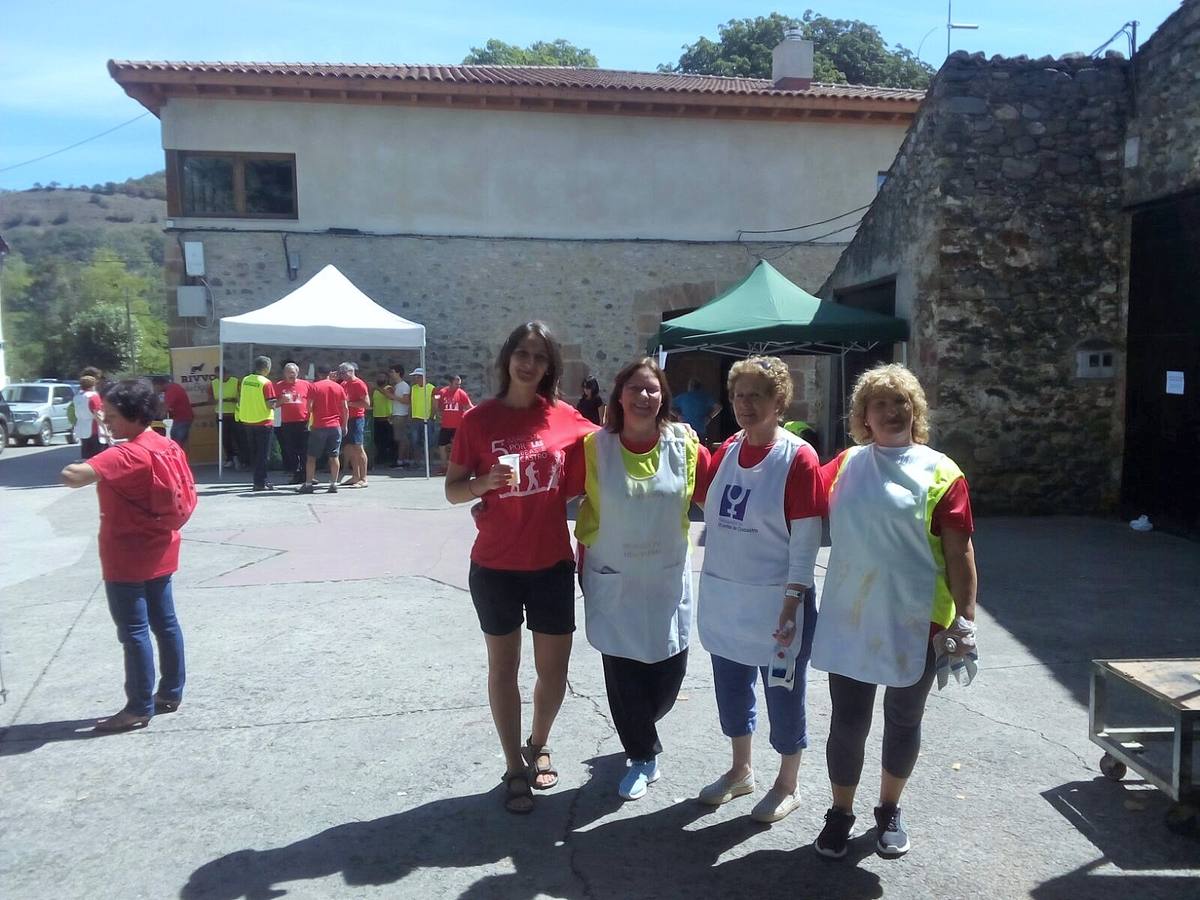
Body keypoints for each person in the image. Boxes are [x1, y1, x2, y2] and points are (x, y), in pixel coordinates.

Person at [810, 363, 978, 860]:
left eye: (900, 401)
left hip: (918, 619)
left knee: (904, 720)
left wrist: (964, 620)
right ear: (863, 415)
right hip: (852, 616)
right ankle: (840, 813)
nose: (891, 410)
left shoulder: (942, 471)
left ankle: (889, 809)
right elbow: (794, 487)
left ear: (915, 409)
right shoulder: (844, 465)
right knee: (848, 721)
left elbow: (960, 552)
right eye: (879, 402)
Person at [444, 321, 597, 814]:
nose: (529, 364)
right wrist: (483, 483)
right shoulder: (478, 420)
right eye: (522, 354)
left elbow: (616, 442)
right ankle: (514, 765)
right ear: (507, 358)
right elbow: (451, 490)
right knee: (503, 668)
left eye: (539, 356)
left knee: (553, 671)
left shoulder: (565, 416)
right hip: (495, 566)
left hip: (551, 561)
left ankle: (539, 740)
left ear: (550, 366)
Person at [692, 356, 824, 824]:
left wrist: (792, 603)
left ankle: (788, 782)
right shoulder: (728, 448)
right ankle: (740, 770)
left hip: (778, 600)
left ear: (779, 401)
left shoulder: (797, 457)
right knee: (731, 687)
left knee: (783, 692)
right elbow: (705, 502)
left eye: (757, 396)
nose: (746, 405)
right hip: (728, 597)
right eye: (739, 395)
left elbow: (806, 541)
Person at [573, 357, 709, 800]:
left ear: (663, 397)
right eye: (635, 388)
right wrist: (491, 502)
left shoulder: (685, 444)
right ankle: (641, 753)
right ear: (619, 397)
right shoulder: (595, 447)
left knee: (669, 673)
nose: (644, 396)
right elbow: (553, 488)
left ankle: (640, 726)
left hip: (666, 579)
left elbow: (723, 491)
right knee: (622, 668)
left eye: (652, 389)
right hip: (613, 576)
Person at [59, 379, 194, 732]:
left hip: (126, 553)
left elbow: (72, 476)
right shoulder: (166, 444)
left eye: (113, 415)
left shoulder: (126, 453)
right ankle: (170, 692)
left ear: (133, 415)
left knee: (133, 631)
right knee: (166, 623)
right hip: (162, 545)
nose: (108, 421)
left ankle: (137, 706)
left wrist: (97, 449)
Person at [299, 366, 349, 494]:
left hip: (319, 425)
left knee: (311, 457)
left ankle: (309, 484)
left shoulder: (314, 387)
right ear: (329, 373)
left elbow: (309, 407)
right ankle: (333, 484)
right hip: (335, 426)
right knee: (334, 456)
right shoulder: (339, 387)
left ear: (319, 374)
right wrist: (345, 425)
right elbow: (345, 408)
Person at [236, 356, 278, 492]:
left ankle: (257, 480)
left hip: (248, 420)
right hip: (263, 421)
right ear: (267, 368)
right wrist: (282, 400)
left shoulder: (246, 380)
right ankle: (260, 482)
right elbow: (270, 404)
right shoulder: (266, 383)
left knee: (255, 453)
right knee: (263, 455)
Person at [274, 363, 311, 485]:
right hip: (288, 423)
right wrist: (282, 400)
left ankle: (307, 475)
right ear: (284, 373)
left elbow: (313, 400)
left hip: (304, 422)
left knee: (305, 450)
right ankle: (296, 474)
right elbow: (273, 405)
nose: (291, 375)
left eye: (293, 372)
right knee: (291, 450)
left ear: (297, 372)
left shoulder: (306, 384)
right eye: (288, 372)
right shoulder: (279, 386)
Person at [338, 362, 370, 487]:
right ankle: (355, 476)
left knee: (358, 448)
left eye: (343, 372)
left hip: (357, 419)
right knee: (349, 449)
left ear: (350, 372)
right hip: (346, 419)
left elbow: (366, 403)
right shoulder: (344, 384)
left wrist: (349, 404)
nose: (341, 375)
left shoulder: (359, 384)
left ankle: (364, 478)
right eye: (340, 372)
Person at [435, 375, 473, 471]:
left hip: (458, 426)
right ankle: (444, 466)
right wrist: (437, 413)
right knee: (442, 445)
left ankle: (462, 466)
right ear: (450, 383)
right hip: (446, 425)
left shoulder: (461, 393)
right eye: (456, 384)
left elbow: (469, 406)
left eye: (459, 384)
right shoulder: (442, 392)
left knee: (461, 446)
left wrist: (478, 411)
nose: (458, 386)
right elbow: (437, 404)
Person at [151, 375, 195, 450]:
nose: (154, 388)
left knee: (176, 443)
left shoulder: (172, 391)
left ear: (159, 384)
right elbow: (163, 406)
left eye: (155, 386)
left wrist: (155, 419)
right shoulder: (173, 387)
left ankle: (178, 459)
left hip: (182, 419)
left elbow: (164, 409)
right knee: (179, 442)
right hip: (182, 418)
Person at [212, 368, 243, 469]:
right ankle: (230, 458)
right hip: (221, 414)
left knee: (238, 437)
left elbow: (241, 397)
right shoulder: (213, 383)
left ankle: (241, 459)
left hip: (235, 414)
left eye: (221, 375)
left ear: (226, 373)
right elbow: (210, 399)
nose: (219, 377)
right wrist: (220, 400)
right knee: (225, 438)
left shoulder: (235, 381)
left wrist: (233, 400)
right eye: (217, 375)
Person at [408, 368, 436, 468]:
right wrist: (410, 415)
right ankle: (417, 462)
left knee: (429, 442)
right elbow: (411, 403)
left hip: (427, 419)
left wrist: (431, 417)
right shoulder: (413, 388)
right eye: (415, 377)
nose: (416, 378)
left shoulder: (431, 388)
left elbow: (434, 404)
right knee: (415, 441)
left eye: (418, 376)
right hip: (415, 418)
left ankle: (429, 462)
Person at [73, 374, 105, 459]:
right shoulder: (93, 396)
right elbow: (97, 414)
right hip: (94, 429)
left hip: (82, 428)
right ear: (93, 385)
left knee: (85, 454)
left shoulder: (77, 397)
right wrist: (105, 429)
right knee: (97, 455)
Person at [386, 364, 411, 468]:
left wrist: (392, 396)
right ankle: (400, 459)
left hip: (401, 415)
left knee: (401, 439)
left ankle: (401, 460)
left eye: (392, 372)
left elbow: (406, 401)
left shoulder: (404, 386)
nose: (390, 374)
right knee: (398, 438)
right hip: (396, 414)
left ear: (398, 373)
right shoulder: (396, 385)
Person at [371, 374, 397, 469]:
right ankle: (381, 458)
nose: (380, 379)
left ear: (387, 379)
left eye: (382, 377)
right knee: (378, 441)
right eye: (379, 377)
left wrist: (377, 388)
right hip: (377, 418)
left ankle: (392, 459)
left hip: (387, 419)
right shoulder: (375, 391)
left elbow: (390, 396)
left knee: (390, 440)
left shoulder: (389, 388)